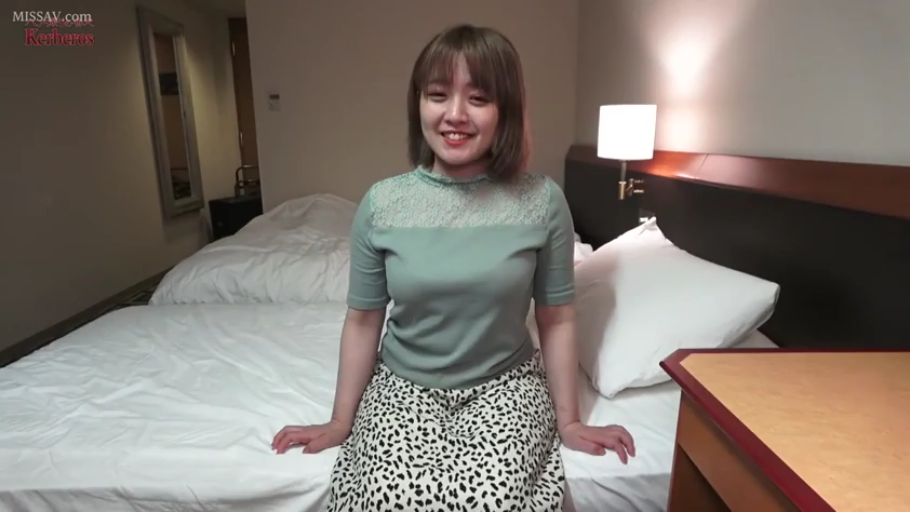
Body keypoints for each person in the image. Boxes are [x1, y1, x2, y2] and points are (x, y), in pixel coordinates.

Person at [272, 23, 635, 511]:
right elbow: (362, 321)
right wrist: (340, 422)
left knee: (492, 499)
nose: (455, 115)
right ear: (418, 103)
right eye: (438, 95)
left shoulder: (542, 201)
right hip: (403, 384)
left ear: (505, 109)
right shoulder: (382, 204)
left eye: (478, 98)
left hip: (505, 385)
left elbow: (557, 318)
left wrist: (569, 422)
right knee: (387, 495)